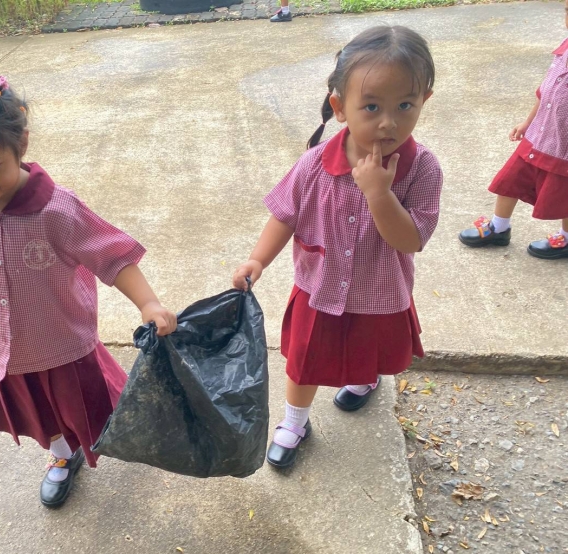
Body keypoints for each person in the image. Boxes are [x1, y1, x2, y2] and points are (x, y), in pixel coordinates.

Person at [0, 60, 177, 508]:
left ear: (20, 142)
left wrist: (148, 303)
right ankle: (61, 454)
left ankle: (115, 432)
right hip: (4, 345)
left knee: (90, 408)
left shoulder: (56, 210)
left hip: (62, 342)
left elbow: (111, 255)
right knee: (38, 412)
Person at [233, 26, 442, 469]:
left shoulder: (422, 168)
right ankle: (294, 422)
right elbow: (284, 214)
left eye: (405, 105)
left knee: (368, 352)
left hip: (378, 291)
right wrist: (257, 259)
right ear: (339, 107)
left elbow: (411, 239)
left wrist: (379, 194)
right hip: (319, 287)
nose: (388, 123)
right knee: (303, 361)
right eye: (372, 107)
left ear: (425, 99)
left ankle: (364, 381)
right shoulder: (313, 164)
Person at [458, 0, 568, 260]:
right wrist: (528, 122)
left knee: (564, 192)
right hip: (539, 134)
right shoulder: (564, 49)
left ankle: (567, 238)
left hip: (563, 146)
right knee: (510, 180)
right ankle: (499, 228)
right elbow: (545, 93)